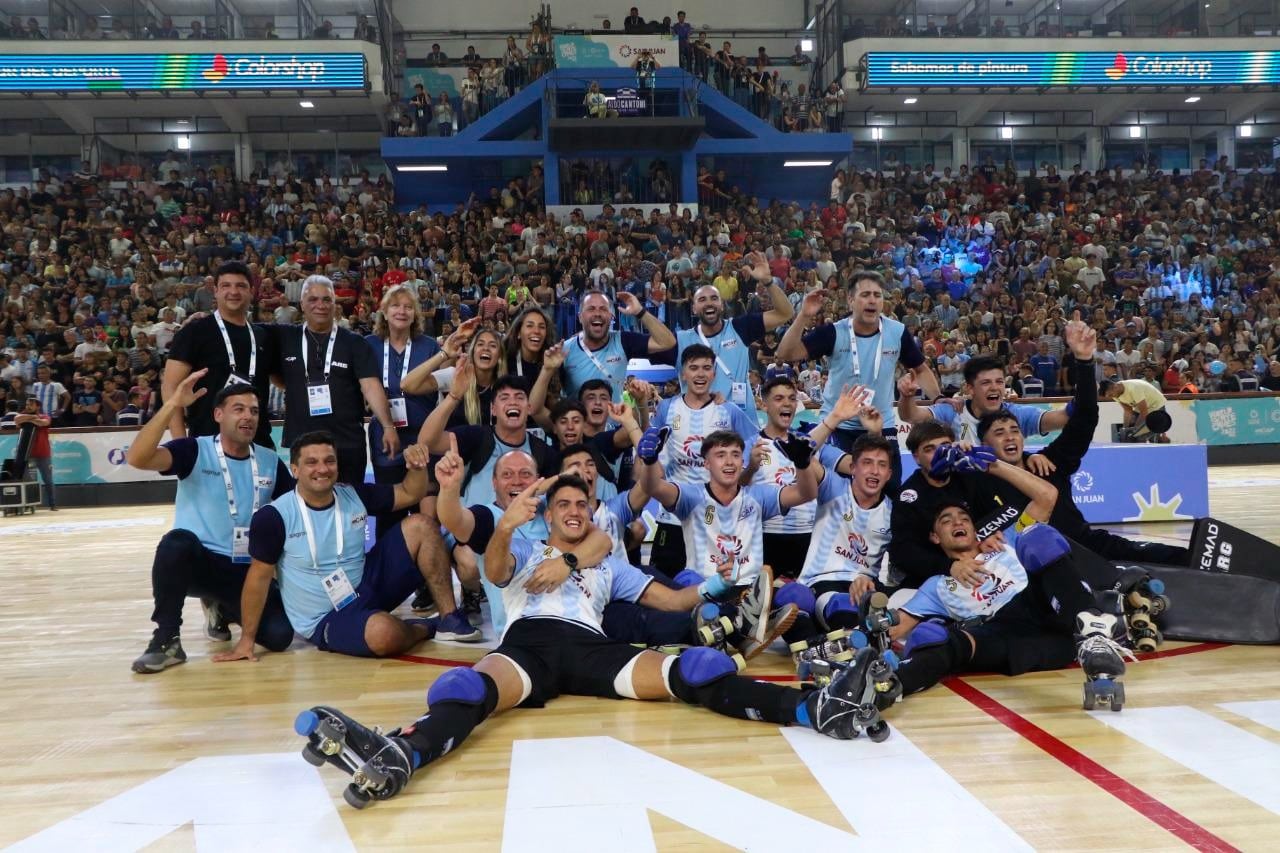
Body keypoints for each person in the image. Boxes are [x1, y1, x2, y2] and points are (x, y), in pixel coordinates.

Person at [296, 475, 896, 808]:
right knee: (463, 686)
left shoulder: (609, 563)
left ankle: (815, 708)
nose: (576, 510)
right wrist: (504, 526)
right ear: (547, 515)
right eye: (564, 505)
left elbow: (674, 602)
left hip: (589, 646)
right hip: (528, 643)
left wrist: (718, 582)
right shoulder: (525, 545)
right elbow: (498, 568)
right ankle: (406, 753)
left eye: (584, 504)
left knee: (699, 667)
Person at [221, 430, 452, 660]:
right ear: (295, 470)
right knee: (383, 634)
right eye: (311, 462)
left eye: (329, 461)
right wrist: (246, 640)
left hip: (366, 586)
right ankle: (422, 628)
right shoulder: (274, 516)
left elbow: (410, 493)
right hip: (325, 616)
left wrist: (418, 468)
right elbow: (258, 579)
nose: (322, 469)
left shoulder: (353, 494)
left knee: (421, 525)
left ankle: (451, 619)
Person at [887, 492, 1132, 705]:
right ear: (935, 537)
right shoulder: (937, 585)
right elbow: (895, 628)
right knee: (939, 640)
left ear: (975, 529)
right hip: (1011, 637)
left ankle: (1092, 635)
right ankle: (887, 688)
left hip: (1041, 606)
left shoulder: (1005, 541)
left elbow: (1046, 497)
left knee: (1037, 535)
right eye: (946, 521)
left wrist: (993, 463)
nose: (957, 522)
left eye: (964, 519)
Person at [977, 322, 1190, 566]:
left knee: (1165, 556)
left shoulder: (1048, 463)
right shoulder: (980, 482)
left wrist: (1085, 361)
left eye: (1014, 430)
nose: (1010, 436)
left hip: (1083, 546)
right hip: (1027, 564)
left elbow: (1085, 417)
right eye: (1000, 433)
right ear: (984, 443)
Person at [126, 372, 295, 674]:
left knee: (280, 637)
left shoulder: (270, 461)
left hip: (248, 572)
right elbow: (138, 458)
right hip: (202, 564)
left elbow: (293, 518)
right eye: (239, 409)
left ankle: (223, 607)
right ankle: (166, 639)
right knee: (175, 543)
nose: (248, 417)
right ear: (218, 414)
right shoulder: (193, 450)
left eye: (254, 411)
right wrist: (172, 405)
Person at [639, 426, 819, 657]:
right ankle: (745, 630)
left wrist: (802, 464)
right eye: (720, 455)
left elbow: (806, 494)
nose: (730, 462)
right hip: (706, 586)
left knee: (800, 596)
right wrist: (650, 459)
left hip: (751, 593)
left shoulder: (756, 496)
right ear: (706, 463)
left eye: (735, 455)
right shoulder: (692, 496)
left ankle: (808, 655)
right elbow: (653, 487)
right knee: (685, 580)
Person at [777, 271, 939, 491]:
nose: (872, 300)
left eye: (877, 295)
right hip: (838, 426)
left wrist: (938, 398)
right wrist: (803, 316)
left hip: (881, 426)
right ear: (851, 300)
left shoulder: (897, 332)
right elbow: (786, 353)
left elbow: (921, 370)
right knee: (838, 494)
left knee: (890, 491)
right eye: (865, 295)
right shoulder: (833, 332)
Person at [435, 443, 614, 639]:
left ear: (537, 481)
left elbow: (602, 540)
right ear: (494, 483)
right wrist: (449, 488)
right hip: (525, 627)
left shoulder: (551, 507)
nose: (517, 481)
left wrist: (566, 562)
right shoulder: (487, 518)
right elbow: (453, 519)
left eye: (525, 474)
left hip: (578, 615)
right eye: (507, 475)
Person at [643, 344, 758, 578]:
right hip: (673, 517)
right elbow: (650, 448)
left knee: (714, 586)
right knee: (665, 584)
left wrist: (745, 472)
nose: (700, 374)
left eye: (707, 368)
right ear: (683, 373)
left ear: (714, 374)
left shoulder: (728, 411)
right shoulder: (667, 408)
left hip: (715, 519)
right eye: (693, 368)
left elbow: (755, 442)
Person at [275, 275, 401, 484]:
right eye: (313, 299)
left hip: (347, 443)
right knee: (308, 509)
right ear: (302, 305)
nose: (320, 305)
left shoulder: (355, 342)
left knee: (351, 509)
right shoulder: (284, 338)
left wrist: (388, 427)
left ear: (335, 305)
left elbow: (370, 386)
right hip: (303, 443)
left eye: (327, 300)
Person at [667, 252, 793, 422]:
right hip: (699, 428)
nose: (709, 302)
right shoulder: (680, 340)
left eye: (714, 298)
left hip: (742, 427)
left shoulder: (739, 328)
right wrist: (640, 313)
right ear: (694, 309)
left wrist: (768, 281)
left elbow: (785, 313)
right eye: (702, 299)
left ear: (722, 305)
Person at [164, 260, 276, 447]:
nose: (233, 292)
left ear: (252, 291)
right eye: (226, 285)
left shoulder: (263, 335)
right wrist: (181, 444)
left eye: (241, 286)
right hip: (207, 444)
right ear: (215, 291)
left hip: (259, 442)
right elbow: (170, 388)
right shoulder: (194, 331)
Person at [365, 285, 441, 533]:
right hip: (386, 438)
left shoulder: (430, 347)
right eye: (396, 305)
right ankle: (390, 566)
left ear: (416, 314)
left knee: (427, 516)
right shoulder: (368, 345)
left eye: (408, 307)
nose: (402, 311)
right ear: (384, 312)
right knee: (390, 512)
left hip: (424, 437)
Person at [898, 354, 1070, 443]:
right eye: (986, 382)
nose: (995, 387)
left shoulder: (1016, 415)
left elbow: (1062, 418)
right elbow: (911, 416)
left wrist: (1084, 365)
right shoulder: (953, 411)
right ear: (970, 388)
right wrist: (907, 396)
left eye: (999, 381)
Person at [561, 290, 676, 402]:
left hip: (614, 420)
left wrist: (640, 312)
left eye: (603, 309)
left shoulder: (622, 340)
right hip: (577, 421)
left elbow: (668, 342)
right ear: (580, 317)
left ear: (611, 316)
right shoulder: (564, 350)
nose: (597, 313)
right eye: (591, 309)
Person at [12, 397, 55, 510]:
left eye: (31, 404)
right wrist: (34, 417)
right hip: (27, 455)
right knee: (26, 480)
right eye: (27, 404)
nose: (28, 406)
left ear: (38, 406)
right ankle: (27, 504)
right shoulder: (23, 415)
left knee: (48, 480)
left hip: (43, 453)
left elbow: (43, 423)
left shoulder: (45, 416)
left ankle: (52, 504)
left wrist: (29, 419)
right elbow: (17, 420)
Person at [1101, 377, 1172, 442]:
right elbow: (1128, 411)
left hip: (1156, 408)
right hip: (1141, 409)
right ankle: (1161, 438)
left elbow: (1144, 412)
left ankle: (1162, 439)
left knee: (1139, 436)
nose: (1111, 397)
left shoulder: (1133, 388)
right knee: (1131, 435)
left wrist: (1134, 431)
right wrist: (1125, 429)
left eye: (1110, 395)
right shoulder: (1115, 394)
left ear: (1114, 387)